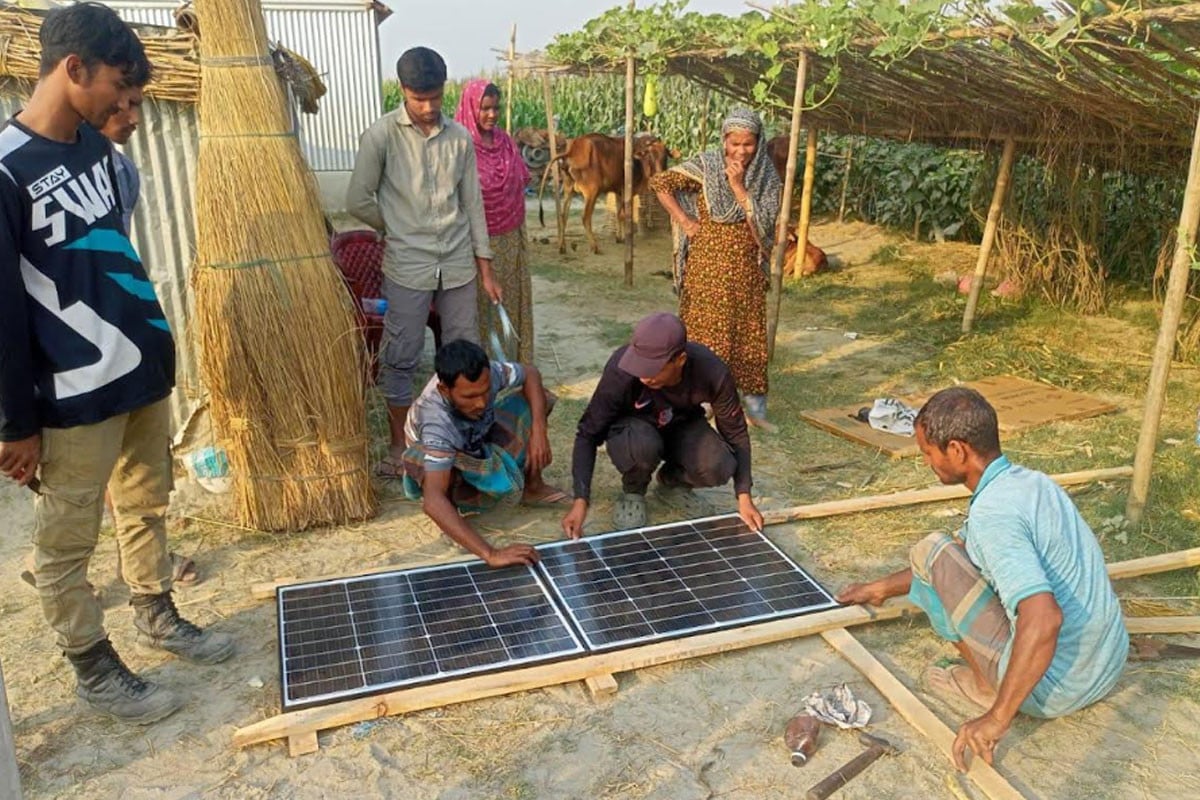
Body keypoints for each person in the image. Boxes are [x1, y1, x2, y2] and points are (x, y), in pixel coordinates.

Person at [0, 3, 234, 725]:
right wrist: (14, 419)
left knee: (145, 504)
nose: (122, 104)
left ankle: (154, 609)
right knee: (67, 540)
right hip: (68, 392)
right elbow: (3, 308)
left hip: (138, 372)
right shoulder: (7, 171)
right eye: (116, 86)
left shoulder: (101, 156)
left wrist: (157, 354)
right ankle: (93, 668)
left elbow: (116, 261)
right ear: (73, 70)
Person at [836, 388, 1128, 771]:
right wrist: (880, 589)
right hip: (1107, 665)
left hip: (1056, 689)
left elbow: (1043, 618)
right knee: (944, 554)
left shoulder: (994, 515)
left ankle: (986, 688)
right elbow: (964, 557)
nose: (926, 461)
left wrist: (997, 718)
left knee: (931, 549)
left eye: (928, 452)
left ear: (956, 450)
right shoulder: (1031, 483)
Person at [346, 47, 501, 478]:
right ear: (403, 91)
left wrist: (485, 267)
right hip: (406, 264)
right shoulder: (381, 136)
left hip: (457, 264)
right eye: (419, 99)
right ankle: (400, 447)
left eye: (435, 97)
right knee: (401, 355)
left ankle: (462, 442)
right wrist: (393, 226)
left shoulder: (460, 139)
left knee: (466, 355)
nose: (429, 107)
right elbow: (357, 199)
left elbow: (472, 205)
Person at [561, 312, 765, 536]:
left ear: (680, 360)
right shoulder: (622, 369)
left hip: (681, 426)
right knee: (640, 445)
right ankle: (634, 490)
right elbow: (588, 433)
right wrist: (580, 501)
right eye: (639, 365)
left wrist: (744, 497)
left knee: (719, 464)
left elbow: (735, 434)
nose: (644, 376)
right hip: (636, 430)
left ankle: (672, 481)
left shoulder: (712, 372)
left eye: (653, 368)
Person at [651, 109, 782, 428]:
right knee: (703, 334)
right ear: (724, 140)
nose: (741, 151)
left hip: (745, 270)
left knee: (747, 334)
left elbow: (765, 226)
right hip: (706, 266)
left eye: (748, 144)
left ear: (759, 142)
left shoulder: (767, 178)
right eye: (734, 143)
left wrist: (738, 186)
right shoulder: (707, 165)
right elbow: (660, 182)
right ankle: (701, 402)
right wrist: (685, 220)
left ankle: (753, 407)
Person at [402, 339, 569, 567]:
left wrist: (539, 431)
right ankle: (454, 517)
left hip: (477, 437)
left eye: (485, 391)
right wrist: (491, 554)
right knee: (434, 471)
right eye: (469, 397)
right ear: (445, 389)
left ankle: (533, 487)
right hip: (444, 458)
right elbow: (432, 499)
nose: (481, 402)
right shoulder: (435, 421)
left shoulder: (488, 373)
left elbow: (530, 373)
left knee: (536, 399)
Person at [453, 79, 534, 363]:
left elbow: (522, 179)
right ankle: (486, 370)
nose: (492, 114)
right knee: (482, 310)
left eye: (496, 108)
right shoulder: (459, 146)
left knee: (512, 303)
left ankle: (516, 362)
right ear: (470, 107)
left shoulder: (505, 141)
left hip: (511, 238)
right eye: (485, 108)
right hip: (476, 244)